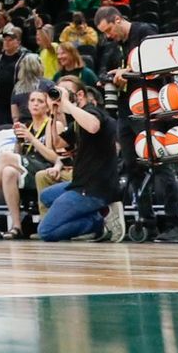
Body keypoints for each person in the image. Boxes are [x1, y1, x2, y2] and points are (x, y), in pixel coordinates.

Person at [0, 88, 63, 239]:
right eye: (32, 100)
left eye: (40, 101)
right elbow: (19, 155)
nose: (35, 104)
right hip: (29, 167)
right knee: (8, 171)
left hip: (45, 169)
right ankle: (16, 226)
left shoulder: (52, 124)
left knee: (5, 157)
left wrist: (32, 139)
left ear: (47, 106)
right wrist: (19, 142)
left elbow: (54, 157)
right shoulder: (27, 127)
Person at [37, 80, 124, 242]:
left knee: (46, 232)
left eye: (65, 91)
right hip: (80, 184)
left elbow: (93, 126)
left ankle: (99, 223)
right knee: (46, 196)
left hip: (95, 188)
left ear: (80, 95)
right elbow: (55, 145)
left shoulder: (93, 112)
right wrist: (53, 113)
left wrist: (67, 105)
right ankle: (102, 212)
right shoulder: (77, 121)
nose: (61, 95)